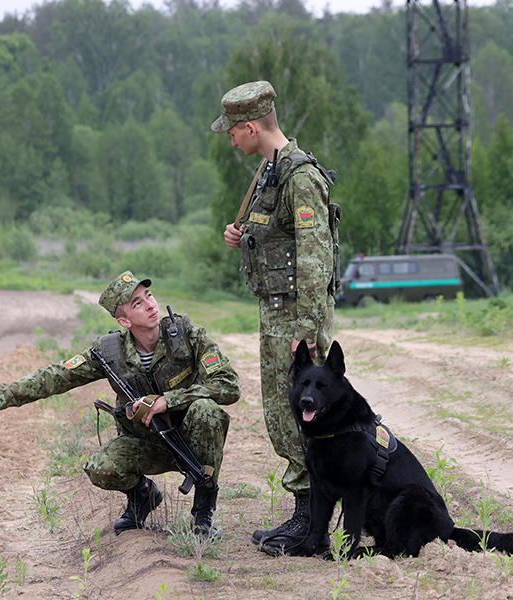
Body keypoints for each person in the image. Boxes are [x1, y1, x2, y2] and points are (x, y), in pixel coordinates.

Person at [0, 271, 241, 536]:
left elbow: (229, 385)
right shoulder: (109, 354)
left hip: (193, 443)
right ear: (124, 321)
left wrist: (170, 400)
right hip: (148, 445)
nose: (150, 305)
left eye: (149, 296)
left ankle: (203, 514)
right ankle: (142, 496)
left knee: (208, 411)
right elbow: (56, 376)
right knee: (100, 467)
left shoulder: (187, 335)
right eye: (137, 303)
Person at [213, 80, 337, 555]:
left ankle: (313, 527)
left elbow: (314, 255)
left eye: (232, 132)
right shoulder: (271, 172)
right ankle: (307, 516)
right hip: (278, 313)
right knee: (285, 416)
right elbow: (278, 235)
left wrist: (306, 332)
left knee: (302, 416)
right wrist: (242, 235)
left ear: (249, 128)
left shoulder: (298, 177)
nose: (230, 140)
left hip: (295, 320)